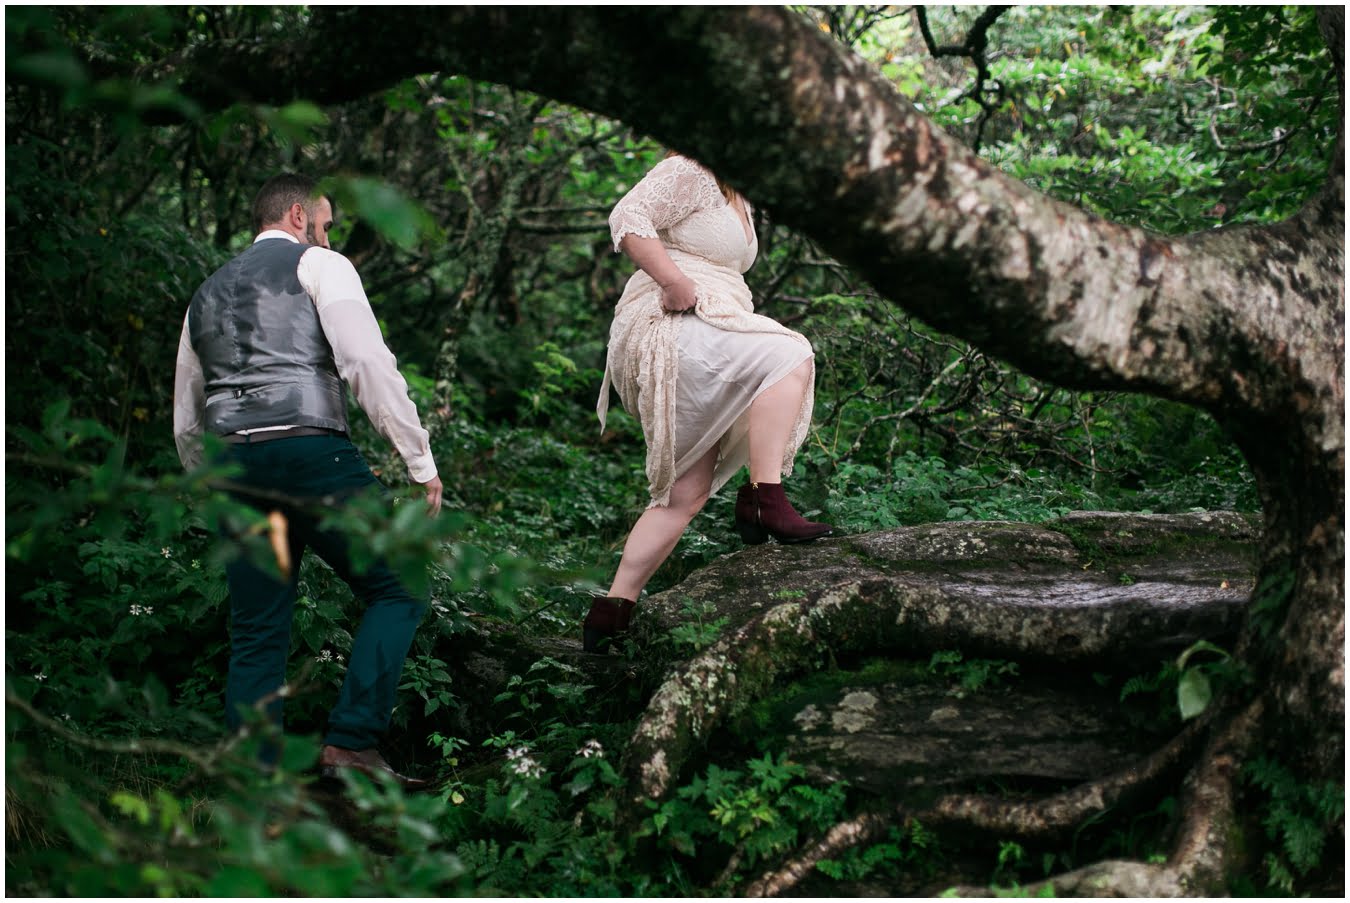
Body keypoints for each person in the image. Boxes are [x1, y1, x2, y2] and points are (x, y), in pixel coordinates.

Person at [173, 173, 442, 789]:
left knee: (258, 627)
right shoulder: (322, 266)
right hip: (309, 454)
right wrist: (418, 458)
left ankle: (250, 781)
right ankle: (350, 742)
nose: (328, 234)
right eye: (325, 223)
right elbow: (366, 361)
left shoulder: (205, 295)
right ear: (298, 216)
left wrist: (207, 482)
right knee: (399, 584)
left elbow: (187, 414)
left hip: (235, 469)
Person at [585, 153, 832, 653]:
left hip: (710, 318)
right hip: (669, 320)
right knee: (790, 354)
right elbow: (628, 218)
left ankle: (609, 614)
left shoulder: (738, 191)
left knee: (685, 495)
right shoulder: (691, 168)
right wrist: (674, 280)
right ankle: (765, 499)